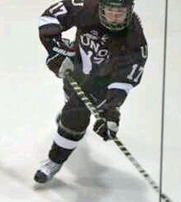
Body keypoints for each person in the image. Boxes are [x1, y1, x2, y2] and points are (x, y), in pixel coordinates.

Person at [34, 0, 148, 183]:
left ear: (130, 11)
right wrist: (55, 50)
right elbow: (49, 17)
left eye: (120, 12)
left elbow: (123, 81)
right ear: (101, 7)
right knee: (70, 96)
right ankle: (68, 117)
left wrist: (111, 110)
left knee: (74, 116)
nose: (115, 17)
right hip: (78, 63)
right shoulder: (86, 6)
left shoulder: (134, 40)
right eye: (110, 11)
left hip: (103, 82)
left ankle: (55, 160)